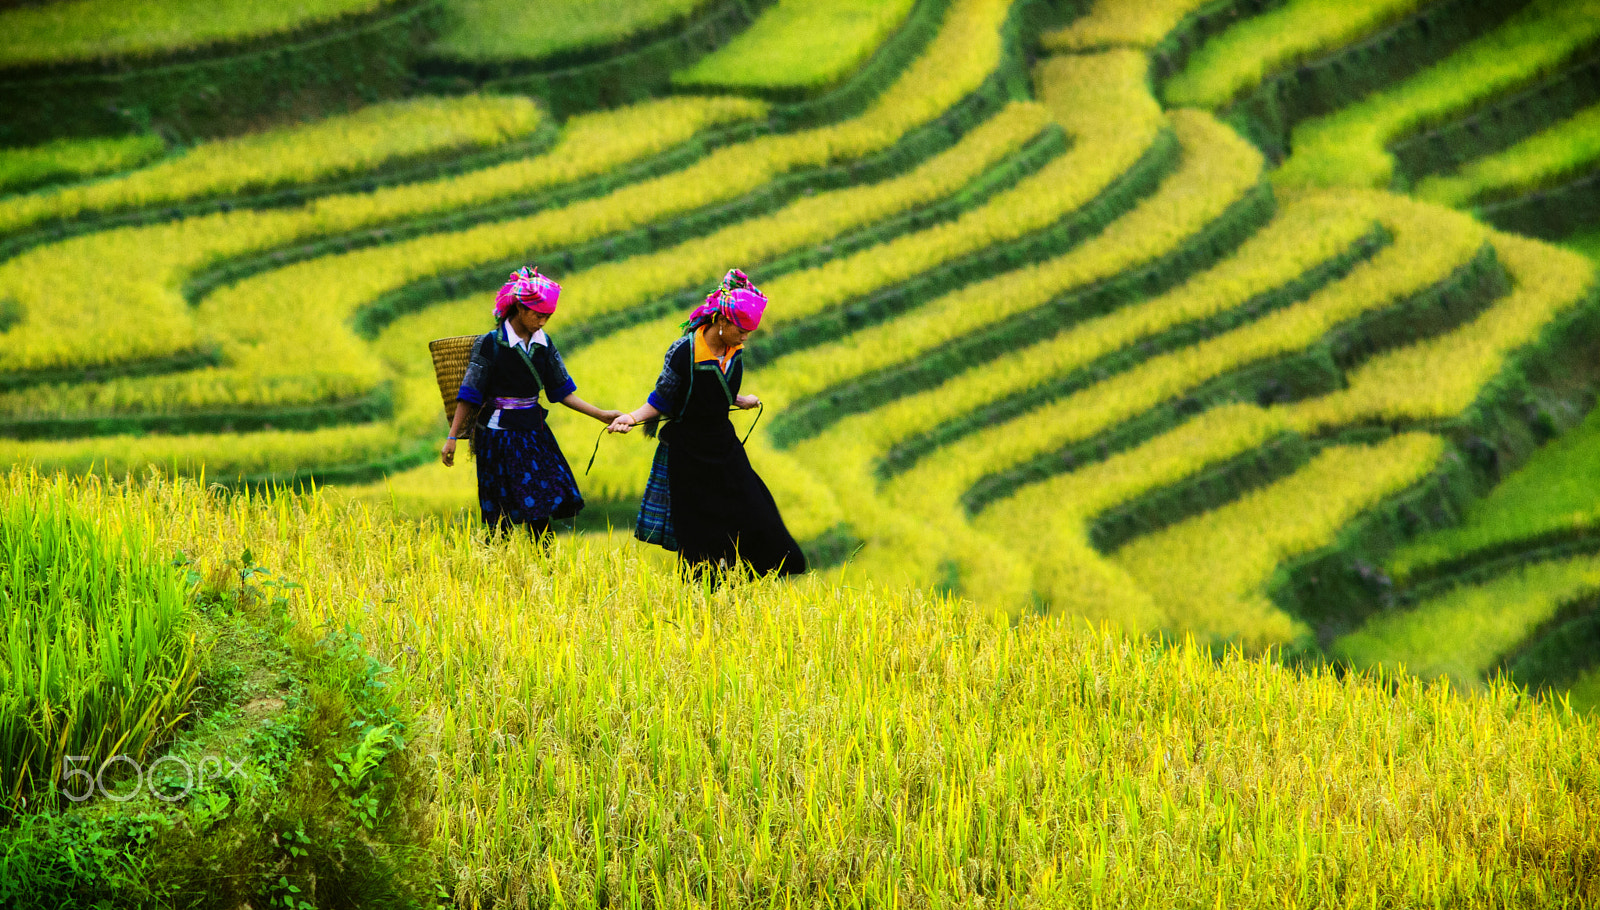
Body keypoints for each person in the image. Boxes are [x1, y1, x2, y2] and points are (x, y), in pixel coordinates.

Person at [607, 269, 807, 578]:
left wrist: (738, 398)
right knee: (700, 534)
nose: (744, 338)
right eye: (741, 331)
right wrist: (631, 418)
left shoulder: (734, 352)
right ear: (722, 322)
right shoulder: (684, 352)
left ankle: (742, 585)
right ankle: (700, 601)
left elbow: (716, 389)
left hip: (723, 447)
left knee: (758, 512)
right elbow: (662, 399)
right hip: (688, 453)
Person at [442, 266, 620, 537]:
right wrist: (452, 437)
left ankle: (544, 567)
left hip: (534, 434)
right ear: (520, 308)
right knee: (499, 512)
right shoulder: (489, 344)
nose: (542, 322)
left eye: (547, 317)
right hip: (497, 436)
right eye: (538, 315)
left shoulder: (544, 344)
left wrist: (601, 414)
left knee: (541, 504)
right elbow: (469, 393)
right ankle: (498, 567)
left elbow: (561, 392)